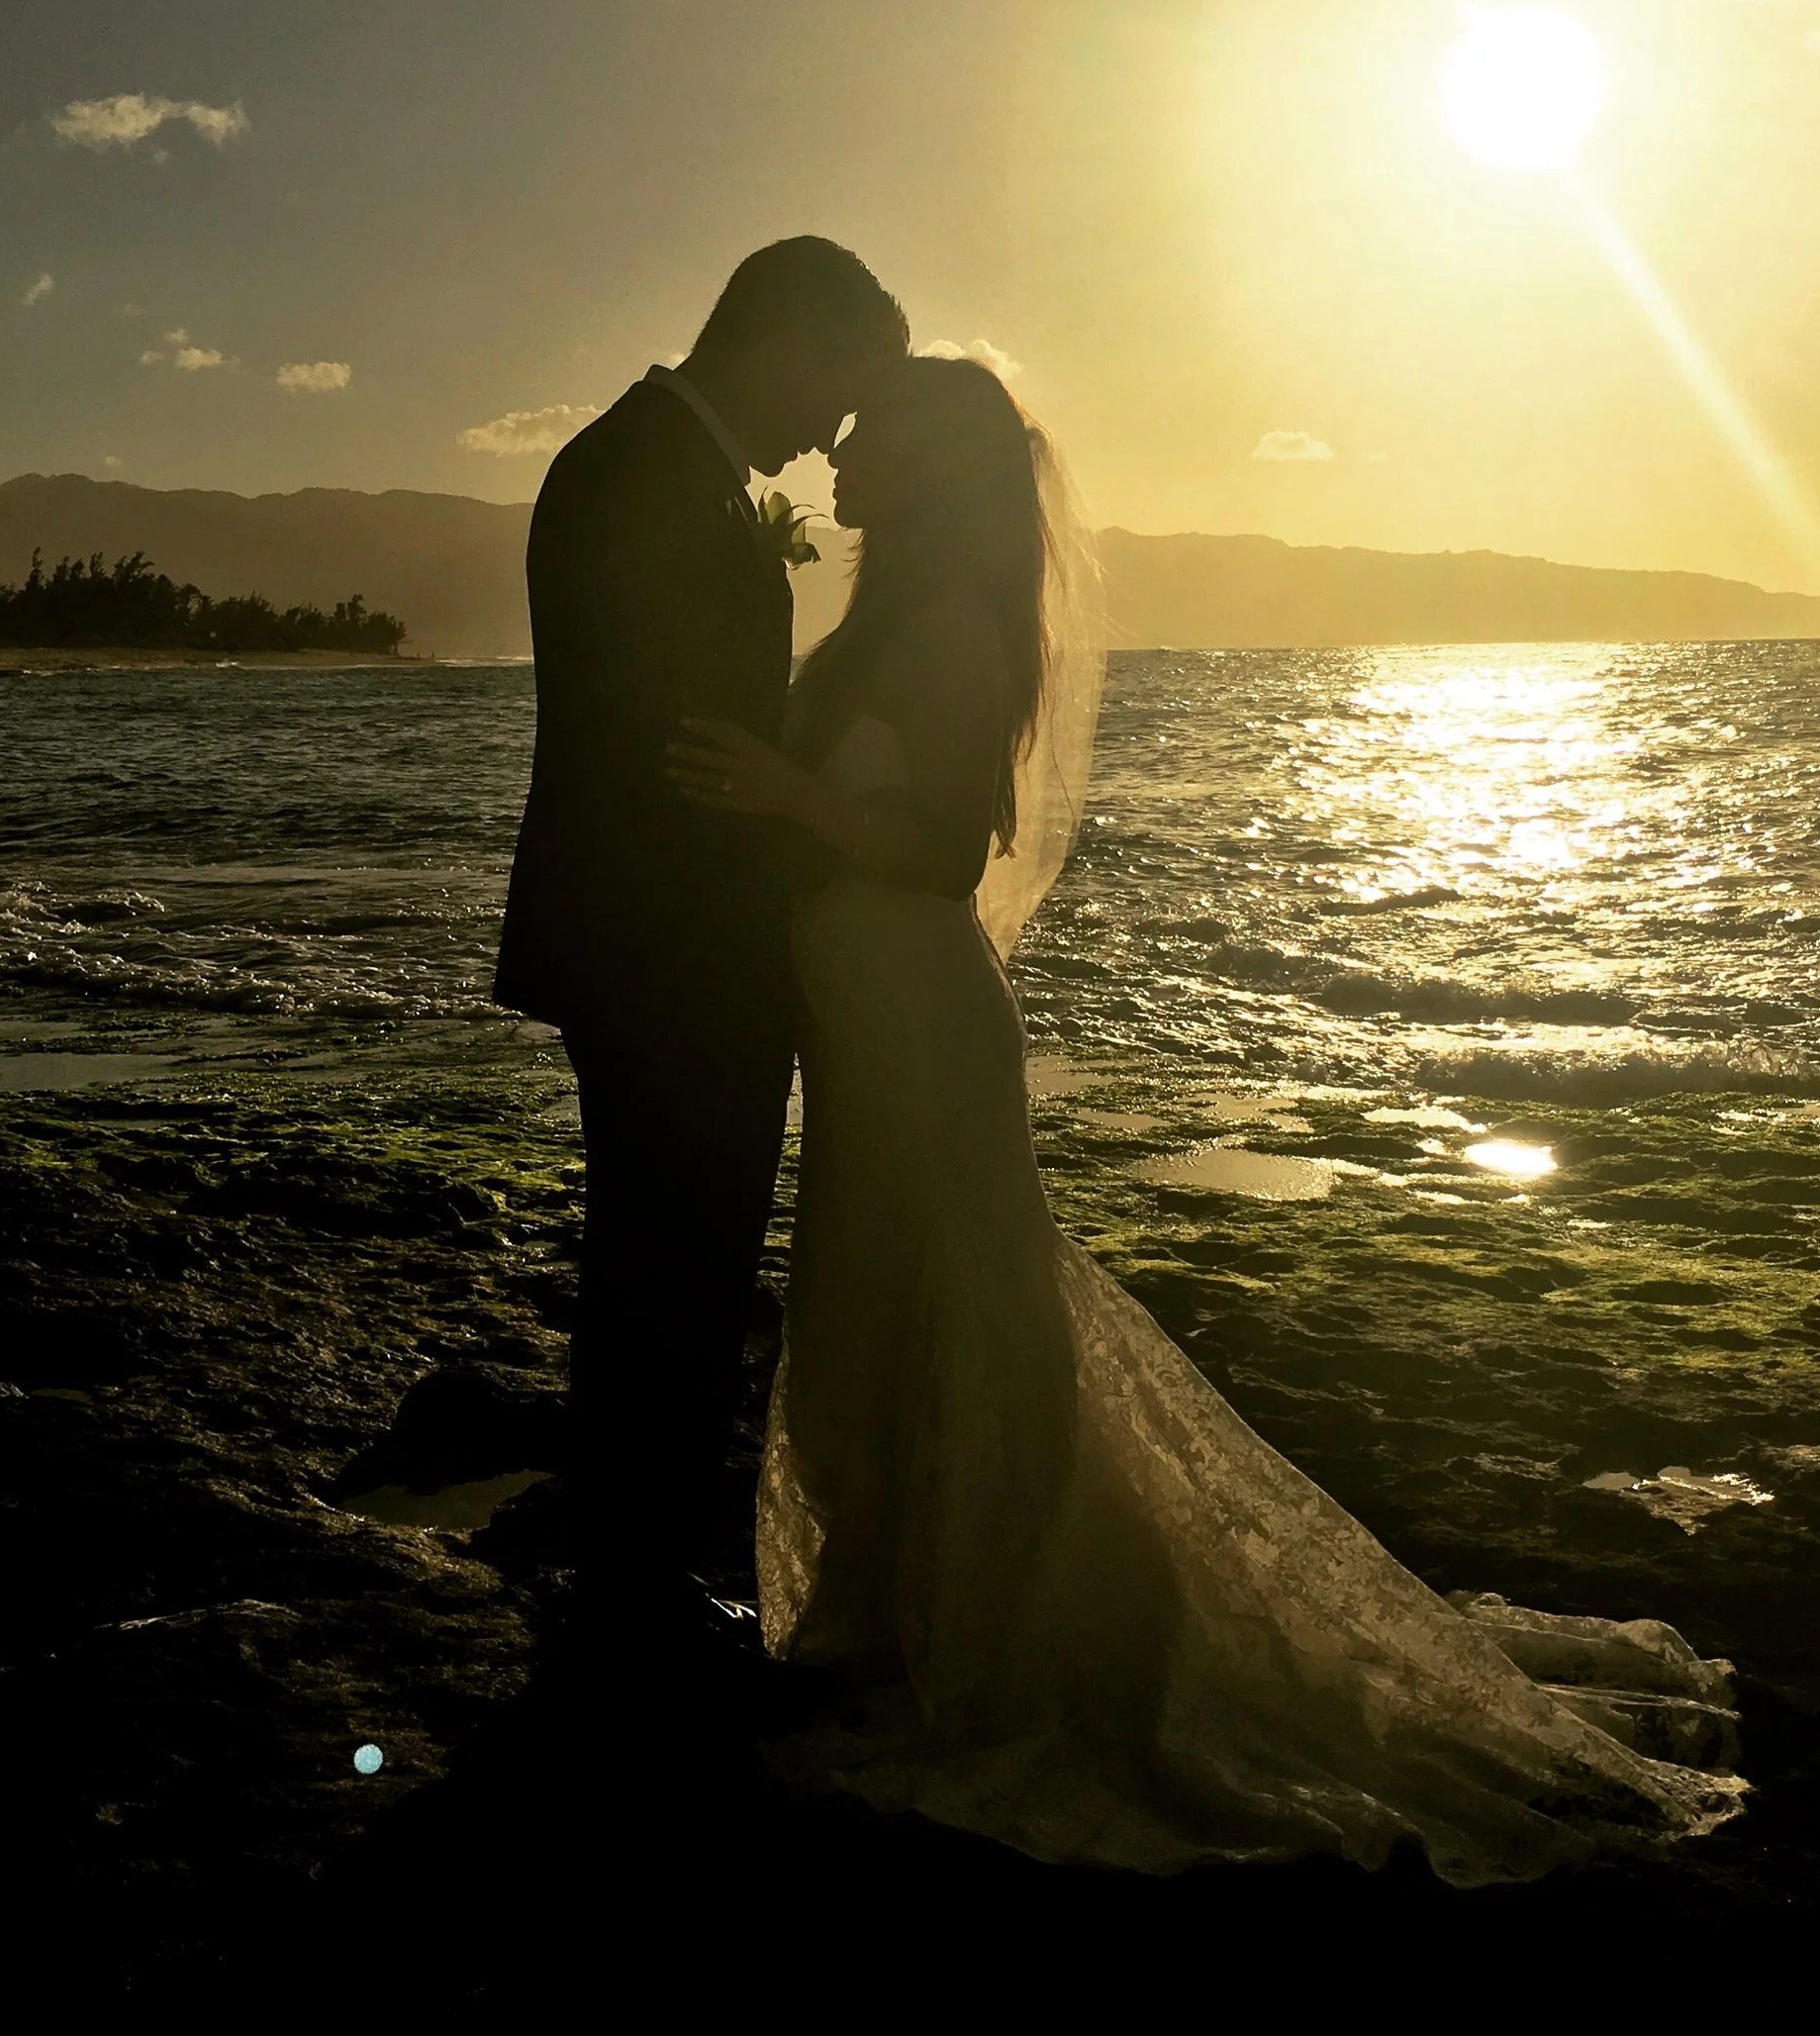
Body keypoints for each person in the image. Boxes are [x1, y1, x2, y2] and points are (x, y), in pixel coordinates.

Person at [666, 351, 1746, 1882]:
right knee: (864, 1308)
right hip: (862, 1028)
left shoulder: (959, 629)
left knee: (959, 1304)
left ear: (938, 462)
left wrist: (791, 803)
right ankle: (903, 1614)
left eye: (873, 426)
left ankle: (984, 1630)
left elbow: (937, 841)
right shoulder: (883, 616)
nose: (840, 444)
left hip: (918, 1017)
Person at [496, 236, 910, 1669]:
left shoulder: (656, 464)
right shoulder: (645, 476)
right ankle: (640, 1582)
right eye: (838, 393)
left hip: (656, 941)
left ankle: (636, 1562)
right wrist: (810, 842)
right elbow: (674, 755)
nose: (830, 436)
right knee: (674, 1260)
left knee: (667, 1255)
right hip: (667, 947)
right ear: (787, 339)